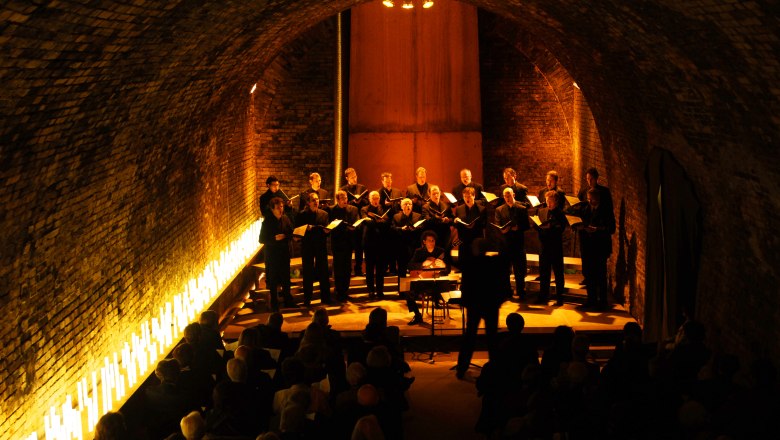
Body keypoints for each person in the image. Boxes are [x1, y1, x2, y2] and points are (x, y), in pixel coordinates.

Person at [454, 238, 512, 378]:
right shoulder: (494, 262)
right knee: (492, 337)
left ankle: (462, 368)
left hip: (474, 303)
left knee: (470, 337)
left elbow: (455, 264)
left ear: (475, 249)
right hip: (491, 303)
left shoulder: (471, 263)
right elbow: (506, 259)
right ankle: (495, 368)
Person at [575, 167, 614, 286]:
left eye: (591, 179)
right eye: (587, 179)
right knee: (585, 256)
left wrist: (598, 228)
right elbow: (578, 206)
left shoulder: (604, 192)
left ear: (596, 178)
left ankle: (597, 285)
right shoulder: (583, 190)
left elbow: (608, 212)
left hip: (598, 235)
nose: (589, 181)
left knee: (599, 265)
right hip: (585, 232)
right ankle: (587, 277)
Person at [579, 188, 616, 309]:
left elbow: (611, 228)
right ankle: (591, 300)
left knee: (600, 275)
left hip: (600, 247)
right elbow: (582, 223)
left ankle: (603, 301)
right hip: (588, 247)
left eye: (592, 199)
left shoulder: (606, 211)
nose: (590, 201)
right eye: (588, 199)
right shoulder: (586, 209)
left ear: (598, 199)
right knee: (589, 275)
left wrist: (597, 229)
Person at [259, 197, 297, 311]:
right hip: (272, 256)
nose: (280, 210)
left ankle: (288, 301)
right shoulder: (267, 222)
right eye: (278, 208)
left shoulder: (285, 218)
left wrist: (285, 236)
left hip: (284, 254)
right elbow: (261, 239)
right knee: (273, 280)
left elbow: (291, 232)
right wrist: (274, 239)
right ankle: (274, 304)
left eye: (282, 207)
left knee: (286, 279)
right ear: (272, 209)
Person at [295, 192, 332, 306]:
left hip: (321, 246)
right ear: (308, 202)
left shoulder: (324, 214)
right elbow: (298, 231)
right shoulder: (302, 215)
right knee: (308, 273)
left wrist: (327, 231)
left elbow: (326, 230)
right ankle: (307, 299)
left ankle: (325, 298)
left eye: (317, 199)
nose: (316, 202)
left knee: (323, 272)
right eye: (313, 200)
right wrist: (307, 229)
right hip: (308, 246)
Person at [494, 187, 531, 299]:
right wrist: (502, 230)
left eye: (509, 195)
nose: (507, 198)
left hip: (518, 244)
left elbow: (527, 226)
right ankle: (506, 291)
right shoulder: (499, 210)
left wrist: (518, 227)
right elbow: (497, 225)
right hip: (504, 245)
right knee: (505, 271)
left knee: (519, 270)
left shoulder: (521, 209)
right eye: (505, 196)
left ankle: (520, 290)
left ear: (513, 195)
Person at [406, 231, 449, 325]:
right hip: (423, 281)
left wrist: (443, 265)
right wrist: (422, 264)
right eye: (429, 240)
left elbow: (448, 269)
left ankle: (438, 307)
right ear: (424, 241)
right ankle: (417, 315)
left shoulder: (440, 251)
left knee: (444, 289)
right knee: (409, 292)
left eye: (433, 240)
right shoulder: (419, 252)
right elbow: (410, 265)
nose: (432, 242)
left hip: (438, 282)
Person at [534, 190, 568, 305]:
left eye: (551, 201)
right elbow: (536, 226)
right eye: (547, 201)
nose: (548, 203)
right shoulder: (541, 211)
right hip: (544, 246)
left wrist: (551, 227)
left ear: (556, 202)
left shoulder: (560, 214)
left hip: (555, 247)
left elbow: (561, 228)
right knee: (544, 273)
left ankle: (559, 297)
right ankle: (543, 295)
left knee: (558, 273)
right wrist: (541, 228)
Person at [330, 190, 360, 302]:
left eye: (346, 198)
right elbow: (330, 226)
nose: (345, 200)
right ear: (337, 199)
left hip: (348, 243)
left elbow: (356, 222)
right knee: (338, 269)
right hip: (337, 243)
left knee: (347, 269)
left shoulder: (353, 209)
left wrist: (354, 227)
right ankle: (339, 291)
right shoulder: (332, 210)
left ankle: (345, 291)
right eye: (342, 198)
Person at [361, 191, 391, 299]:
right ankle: (370, 290)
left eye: (377, 198)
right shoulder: (364, 209)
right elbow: (367, 222)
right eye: (373, 198)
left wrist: (375, 219)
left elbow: (387, 222)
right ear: (369, 199)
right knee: (369, 269)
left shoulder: (382, 209)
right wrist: (378, 221)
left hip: (381, 244)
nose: (375, 200)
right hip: (369, 243)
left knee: (380, 269)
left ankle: (380, 291)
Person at [341, 168, 369, 276]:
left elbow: (367, 202)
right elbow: (342, 203)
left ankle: (358, 269)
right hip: (349, 220)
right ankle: (348, 270)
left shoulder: (362, 188)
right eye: (352, 177)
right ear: (347, 178)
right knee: (348, 246)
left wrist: (361, 200)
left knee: (359, 247)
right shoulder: (343, 189)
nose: (355, 179)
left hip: (360, 221)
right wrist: (353, 201)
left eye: (355, 176)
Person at [391, 198, 423, 278]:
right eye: (405, 204)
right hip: (401, 246)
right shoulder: (396, 216)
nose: (408, 205)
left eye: (410, 204)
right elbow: (392, 228)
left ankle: (414, 289)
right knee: (402, 269)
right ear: (401, 207)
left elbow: (422, 227)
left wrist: (415, 228)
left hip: (414, 245)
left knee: (414, 269)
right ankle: (401, 289)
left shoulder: (418, 216)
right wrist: (401, 229)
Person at [453, 187, 486, 252]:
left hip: (476, 239)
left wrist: (474, 224)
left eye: (469, 196)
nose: (467, 199)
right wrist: (455, 222)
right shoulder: (459, 209)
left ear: (474, 196)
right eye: (465, 196)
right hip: (463, 241)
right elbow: (456, 226)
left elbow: (484, 224)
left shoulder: (482, 209)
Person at [422, 184, 454, 249]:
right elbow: (426, 221)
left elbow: (452, 219)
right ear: (429, 195)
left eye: (437, 193)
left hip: (445, 234)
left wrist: (448, 220)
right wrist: (435, 218)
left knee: (446, 255)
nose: (436, 195)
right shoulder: (426, 207)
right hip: (433, 235)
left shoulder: (446, 205)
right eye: (434, 194)